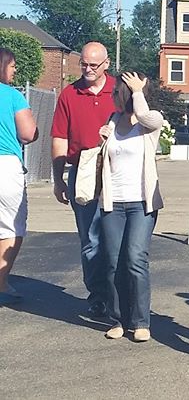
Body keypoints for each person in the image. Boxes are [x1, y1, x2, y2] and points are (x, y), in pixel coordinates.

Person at [97, 72, 165, 342]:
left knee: (136, 259)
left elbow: (146, 116)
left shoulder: (152, 123)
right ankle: (117, 319)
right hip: (113, 202)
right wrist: (103, 138)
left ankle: (140, 321)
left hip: (141, 202)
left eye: (118, 91)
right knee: (113, 261)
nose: (115, 95)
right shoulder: (112, 122)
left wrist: (137, 92)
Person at [51, 41, 116, 316]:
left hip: (117, 172)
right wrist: (58, 179)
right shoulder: (69, 94)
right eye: (84, 64)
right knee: (91, 239)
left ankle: (119, 295)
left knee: (117, 238)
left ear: (106, 64)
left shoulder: (121, 90)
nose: (88, 69)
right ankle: (98, 295)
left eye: (94, 65)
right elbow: (59, 138)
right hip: (83, 171)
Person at [0, 48, 38, 306]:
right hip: (5, 165)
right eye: (12, 65)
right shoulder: (13, 96)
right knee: (11, 225)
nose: (15, 70)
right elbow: (27, 133)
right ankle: (1, 281)